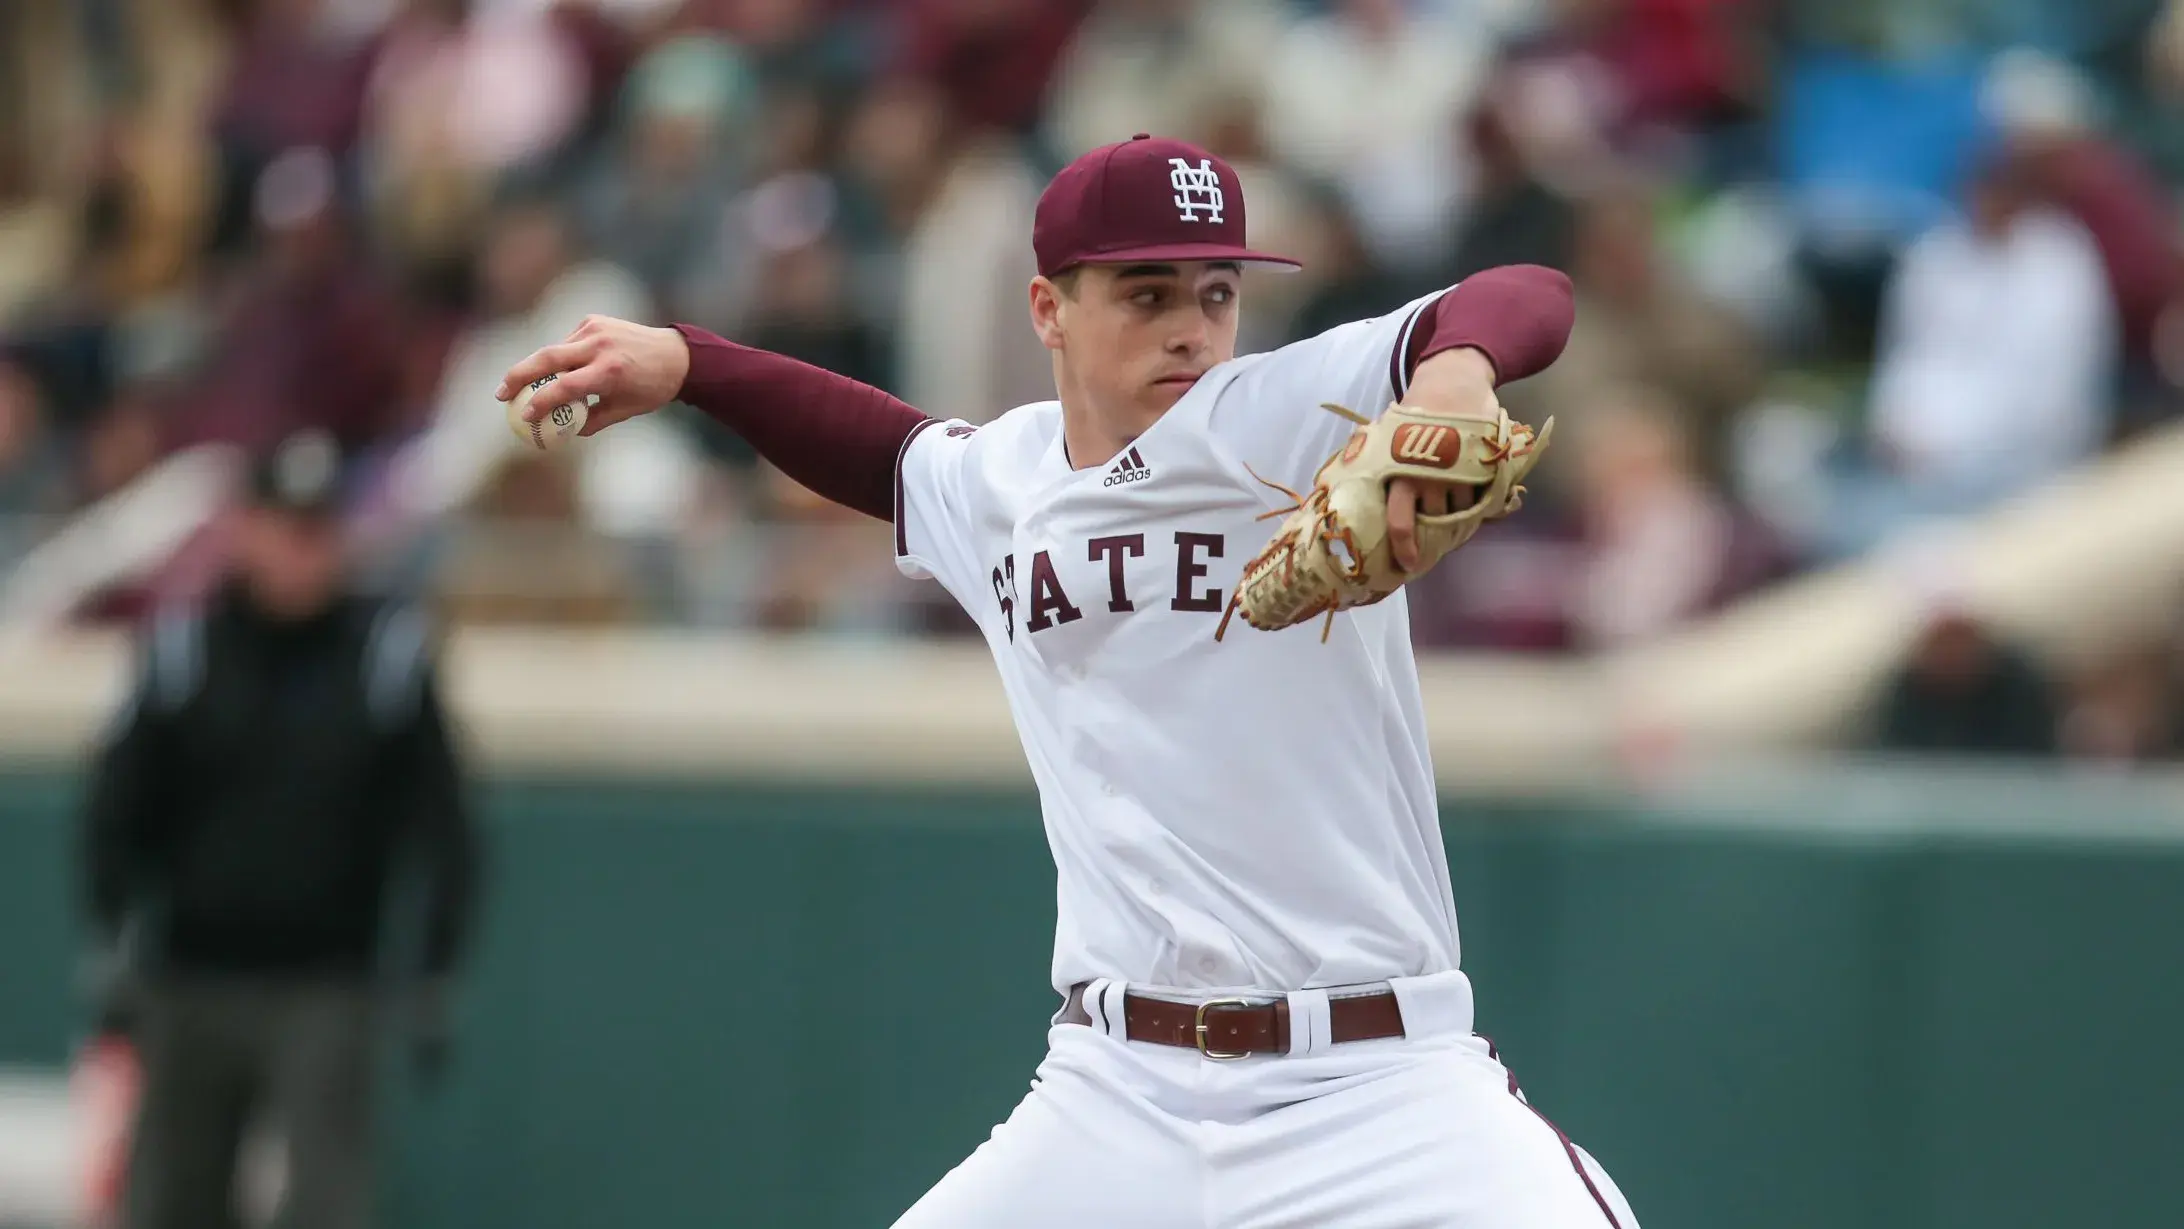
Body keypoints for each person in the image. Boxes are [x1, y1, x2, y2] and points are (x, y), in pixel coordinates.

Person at [498, 133, 1635, 1227]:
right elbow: (881, 448)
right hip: (1119, 1089)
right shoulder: (1004, 481)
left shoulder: (1283, 414)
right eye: (1148, 294)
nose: (1193, 330)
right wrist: (694, 363)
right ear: (1048, 308)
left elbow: (1525, 290)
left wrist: (1452, 368)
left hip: (1377, 1085)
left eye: (1216, 294)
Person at [79, 429, 480, 1229]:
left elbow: (444, 823)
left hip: (328, 979)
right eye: (286, 526)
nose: (303, 551)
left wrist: (435, 964)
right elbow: (117, 807)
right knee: (174, 1196)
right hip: (191, 970)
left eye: (319, 529)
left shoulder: (383, 656)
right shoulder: (185, 648)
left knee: (325, 1197)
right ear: (246, 529)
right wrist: (113, 936)